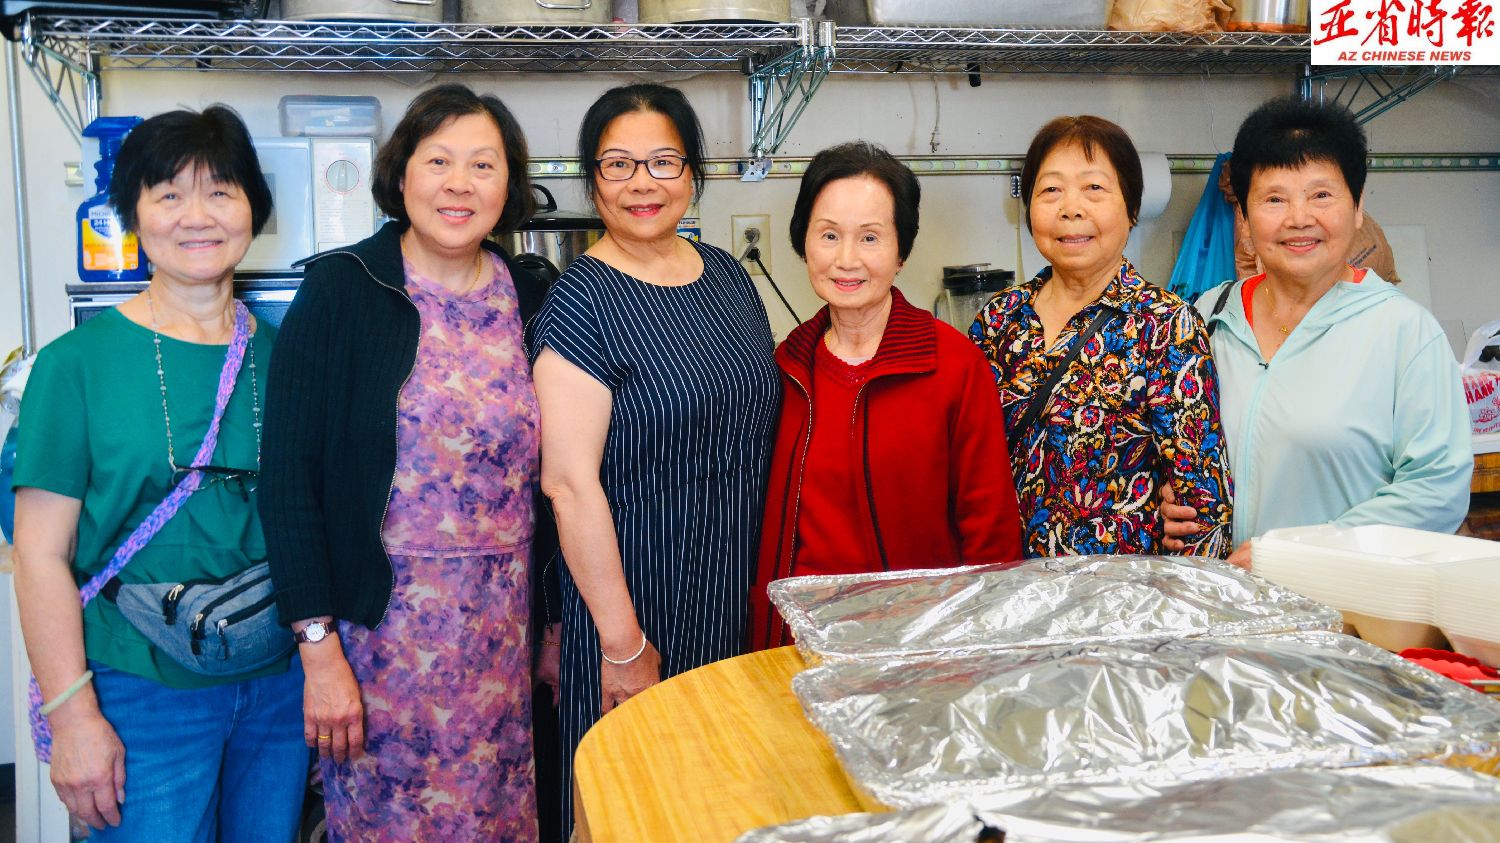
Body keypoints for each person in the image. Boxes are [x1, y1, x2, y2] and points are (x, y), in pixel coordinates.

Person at [259, 84, 554, 842]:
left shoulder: (530, 294)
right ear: (402, 174)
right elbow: (288, 483)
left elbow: (553, 483)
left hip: (502, 635)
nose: (460, 184)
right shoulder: (341, 289)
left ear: (509, 185)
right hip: (378, 641)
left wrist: (553, 622)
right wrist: (319, 651)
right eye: (439, 161)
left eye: (483, 165)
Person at [12, 106, 307, 840]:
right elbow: (40, 554)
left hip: (276, 686)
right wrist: (72, 715)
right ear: (134, 215)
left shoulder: (289, 357)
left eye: (221, 191)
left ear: (253, 208)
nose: (197, 216)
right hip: (137, 688)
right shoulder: (76, 365)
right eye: (169, 194)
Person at [527, 82, 780, 836]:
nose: (643, 183)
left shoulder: (730, 279)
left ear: (692, 173)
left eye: (664, 161)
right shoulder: (581, 301)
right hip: (635, 610)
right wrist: (623, 643)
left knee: (727, 809)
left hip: (733, 601)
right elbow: (568, 485)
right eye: (619, 165)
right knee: (633, 814)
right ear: (593, 181)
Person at [1162, 97, 1471, 567]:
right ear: (1244, 217)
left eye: (1321, 195)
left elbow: (1436, 491)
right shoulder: (1208, 317)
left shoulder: (1404, 332)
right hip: (1218, 597)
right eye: (1274, 199)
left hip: (1342, 600)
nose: (1299, 218)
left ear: (1358, 206)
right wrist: (1167, 499)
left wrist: (1298, 553)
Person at [748, 142, 1026, 650]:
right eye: (829, 235)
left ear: (901, 252)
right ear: (804, 242)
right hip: (792, 645)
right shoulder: (786, 366)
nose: (846, 259)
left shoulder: (954, 366)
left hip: (913, 650)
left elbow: (992, 536)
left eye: (870, 237)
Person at [969, 115, 1233, 558]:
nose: (1070, 208)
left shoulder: (1166, 326)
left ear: (1132, 208)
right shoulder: (1000, 319)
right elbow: (965, 462)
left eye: (1094, 188)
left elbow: (1200, 509)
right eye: (1050, 190)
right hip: (1007, 584)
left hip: (1121, 592)